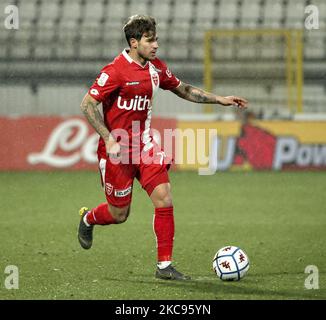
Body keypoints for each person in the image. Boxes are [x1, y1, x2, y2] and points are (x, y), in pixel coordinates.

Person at [78, 15, 248, 281]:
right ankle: (88, 219)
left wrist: (220, 99)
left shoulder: (156, 68)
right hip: (117, 152)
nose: (156, 45)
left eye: (156, 39)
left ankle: (164, 266)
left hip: (144, 145)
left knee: (164, 196)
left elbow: (183, 89)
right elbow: (87, 105)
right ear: (134, 43)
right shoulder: (114, 71)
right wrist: (108, 138)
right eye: (150, 40)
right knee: (119, 213)